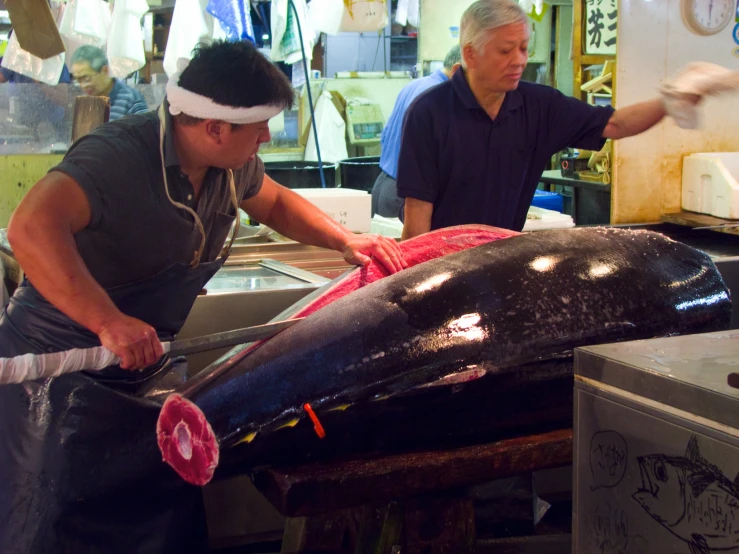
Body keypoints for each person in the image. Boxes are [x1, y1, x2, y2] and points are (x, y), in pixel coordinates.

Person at [0, 40, 406, 553]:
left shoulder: (231, 166)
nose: (267, 135)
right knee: (48, 526)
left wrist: (346, 240)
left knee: (162, 523)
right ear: (214, 129)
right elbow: (31, 227)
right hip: (57, 374)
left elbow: (276, 203)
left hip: (143, 370)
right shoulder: (117, 156)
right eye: (258, 127)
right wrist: (107, 321)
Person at [396, 0, 688, 240]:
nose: (519, 60)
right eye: (505, 51)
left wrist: (669, 101)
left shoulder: (540, 106)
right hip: (441, 266)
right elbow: (417, 218)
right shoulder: (429, 113)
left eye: (524, 48)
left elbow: (616, 124)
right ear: (471, 55)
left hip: (502, 262)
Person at [371, 45, 462, 217]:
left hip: (382, 184)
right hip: (402, 196)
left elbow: (386, 134)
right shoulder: (438, 96)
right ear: (457, 70)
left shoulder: (415, 85)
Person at [70, 45, 149, 120]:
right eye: (78, 80)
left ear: (105, 71)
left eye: (87, 79)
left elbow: (144, 133)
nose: (83, 85)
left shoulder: (131, 100)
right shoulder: (85, 102)